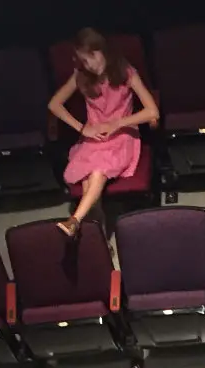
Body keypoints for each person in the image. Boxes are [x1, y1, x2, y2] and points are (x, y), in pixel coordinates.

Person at [47, 27, 158, 238]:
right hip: (94, 137)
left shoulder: (125, 71)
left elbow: (152, 111)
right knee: (90, 178)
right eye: (84, 60)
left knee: (97, 171)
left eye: (91, 58)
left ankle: (75, 220)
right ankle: (98, 233)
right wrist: (82, 127)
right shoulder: (82, 75)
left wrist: (117, 123)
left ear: (102, 51)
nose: (89, 64)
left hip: (122, 135)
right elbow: (54, 104)